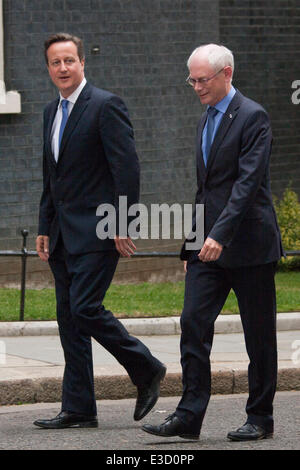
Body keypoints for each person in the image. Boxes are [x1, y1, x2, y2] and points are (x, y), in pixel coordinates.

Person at [142, 44, 283, 442]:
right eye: (192, 79)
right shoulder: (206, 118)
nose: (196, 87)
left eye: (203, 79)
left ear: (227, 74)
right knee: (193, 322)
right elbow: (205, 191)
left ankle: (260, 417)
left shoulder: (253, 116)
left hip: (250, 246)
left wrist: (219, 234)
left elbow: (246, 185)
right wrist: (193, 244)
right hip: (207, 249)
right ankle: (189, 416)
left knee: (259, 335)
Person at [34, 33, 166, 429]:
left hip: (99, 231)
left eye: (69, 60)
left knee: (85, 308)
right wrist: (44, 225)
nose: (63, 68)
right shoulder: (49, 113)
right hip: (61, 235)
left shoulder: (106, 105)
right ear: (49, 68)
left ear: (82, 63)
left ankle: (146, 368)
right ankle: (78, 408)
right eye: (55, 62)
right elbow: (51, 177)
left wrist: (124, 222)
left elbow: (127, 169)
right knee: (69, 320)